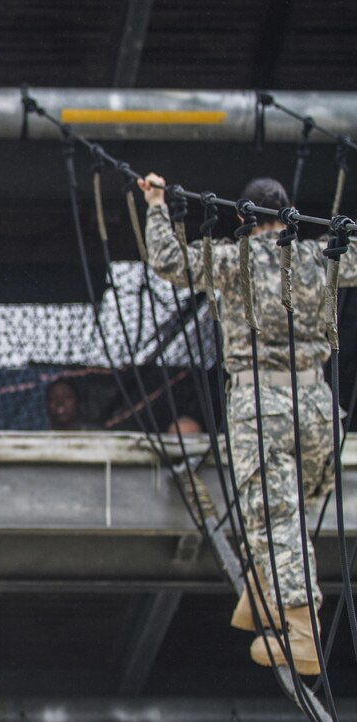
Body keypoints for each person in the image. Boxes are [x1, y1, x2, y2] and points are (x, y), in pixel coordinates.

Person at [138, 173, 357, 675]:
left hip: (264, 405)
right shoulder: (320, 254)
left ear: (242, 217)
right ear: (289, 214)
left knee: (274, 516)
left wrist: (157, 205)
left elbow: (171, 262)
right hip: (320, 405)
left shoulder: (232, 259)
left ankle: (301, 633)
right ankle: (263, 592)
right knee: (290, 506)